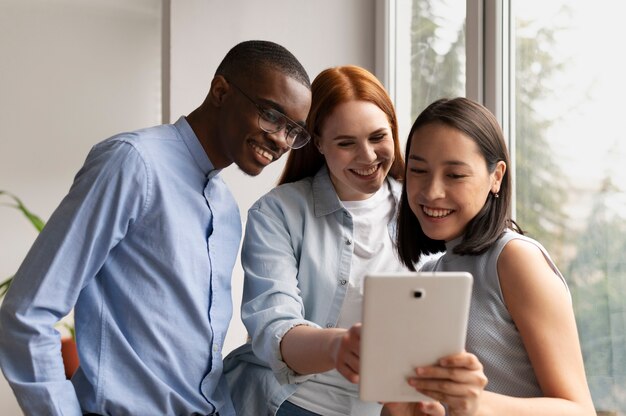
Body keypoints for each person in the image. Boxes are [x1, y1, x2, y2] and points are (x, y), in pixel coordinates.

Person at [0, 40, 311, 416]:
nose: (280, 139)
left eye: (293, 130)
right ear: (220, 91)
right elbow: (27, 313)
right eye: (271, 115)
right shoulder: (132, 163)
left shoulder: (226, 208)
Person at [223, 65, 449, 416]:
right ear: (319, 143)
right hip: (294, 401)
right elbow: (273, 327)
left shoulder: (425, 208)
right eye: (346, 143)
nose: (368, 157)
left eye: (378, 137)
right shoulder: (277, 213)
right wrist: (338, 346)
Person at [392, 97, 596, 415]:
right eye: (418, 170)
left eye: (455, 175)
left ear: (496, 177)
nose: (431, 192)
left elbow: (579, 410)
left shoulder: (514, 259)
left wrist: (477, 403)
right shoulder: (430, 274)